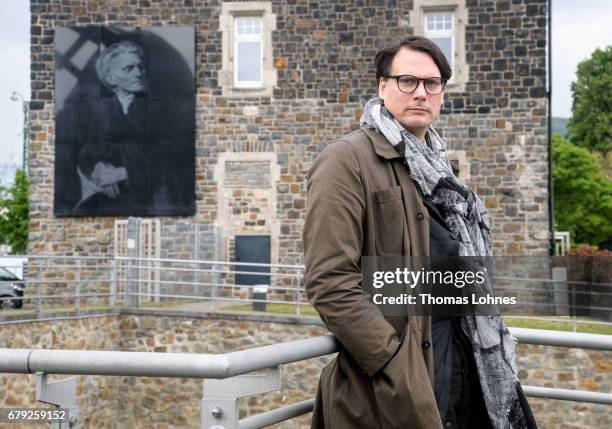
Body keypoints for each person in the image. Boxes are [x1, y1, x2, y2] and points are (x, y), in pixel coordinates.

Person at [303, 36, 537, 428]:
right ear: (382, 86)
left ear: (442, 92)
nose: (420, 93)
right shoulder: (346, 161)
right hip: (396, 384)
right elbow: (329, 282)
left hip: (469, 366)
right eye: (407, 81)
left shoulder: (442, 172)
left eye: (432, 83)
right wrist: (395, 363)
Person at [72, 41, 149, 214]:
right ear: (110, 78)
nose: (138, 73)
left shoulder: (163, 109)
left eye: (140, 67)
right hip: (111, 201)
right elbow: (86, 150)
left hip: (150, 200)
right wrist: (97, 168)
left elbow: (173, 158)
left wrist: (124, 173)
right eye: (128, 69)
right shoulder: (96, 111)